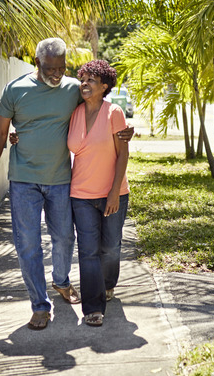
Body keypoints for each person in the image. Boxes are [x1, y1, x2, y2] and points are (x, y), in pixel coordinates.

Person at [0, 38, 133, 330]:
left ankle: (61, 280)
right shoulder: (15, 90)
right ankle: (40, 306)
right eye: (50, 69)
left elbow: (101, 105)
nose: (56, 75)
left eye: (62, 69)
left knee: (64, 238)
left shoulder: (72, 90)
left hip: (62, 180)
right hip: (23, 179)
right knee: (28, 244)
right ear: (37, 63)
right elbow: (0, 134)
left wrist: (126, 131)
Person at [68, 60, 130, 327]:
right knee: (88, 251)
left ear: (104, 87)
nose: (84, 84)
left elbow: (123, 153)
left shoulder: (114, 112)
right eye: (83, 79)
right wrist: (18, 137)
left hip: (112, 193)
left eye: (91, 80)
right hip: (80, 194)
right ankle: (93, 306)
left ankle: (107, 283)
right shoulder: (74, 113)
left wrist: (114, 193)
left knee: (111, 248)